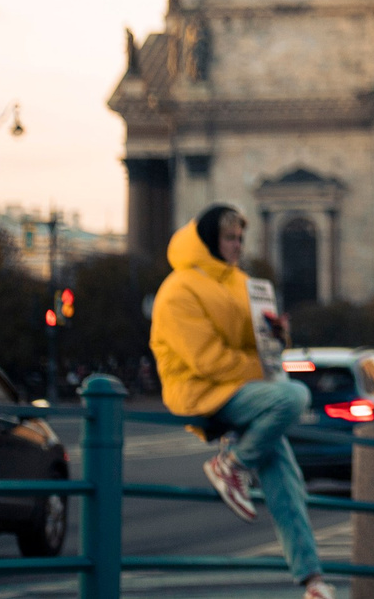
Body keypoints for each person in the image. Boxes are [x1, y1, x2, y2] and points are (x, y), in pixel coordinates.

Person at [150, 205, 330, 599]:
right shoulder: (178, 289)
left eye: (240, 238)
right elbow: (206, 360)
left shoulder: (241, 283)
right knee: (293, 395)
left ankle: (312, 582)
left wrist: (277, 336)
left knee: (287, 482)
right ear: (209, 241)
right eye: (229, 238)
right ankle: (231, 464)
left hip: (238, 391)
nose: (237, 246)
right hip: (199, 392)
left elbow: (256, 348)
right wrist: (261, 371)